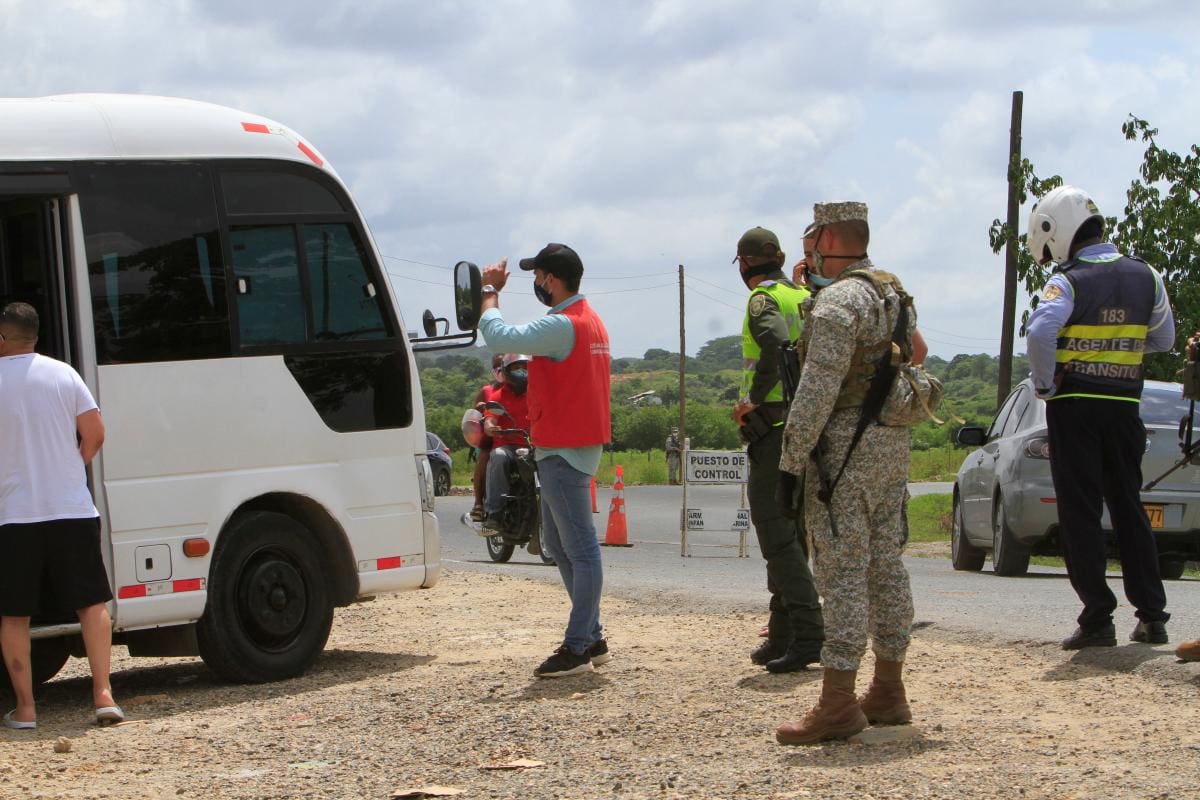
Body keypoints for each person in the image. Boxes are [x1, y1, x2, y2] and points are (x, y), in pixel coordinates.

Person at [775, 202, 916, 745]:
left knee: (843, 573)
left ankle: (837, 702)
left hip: (844, 453)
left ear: (829, 237)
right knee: (885, 565)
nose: (806, 248)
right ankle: (887, 689)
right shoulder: (892, 292)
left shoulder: (837, 304)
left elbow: (816, 391)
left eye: (811, 236)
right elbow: (913, 356)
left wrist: (790, 461)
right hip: (890, 443)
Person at [1024, 185, 1175, 650]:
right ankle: (1152, 616)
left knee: (1081, 512)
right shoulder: (1146, 274)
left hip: (1076, 409)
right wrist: (1121, 350)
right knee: (1129, 507)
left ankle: (1097, 618)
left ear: (1056, 231)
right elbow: (1164, 340)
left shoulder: (1066, 280)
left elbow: (1040, 330)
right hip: (1125, 408)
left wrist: (1047, 386)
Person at [478, 243, 612, 678]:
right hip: (572, 444)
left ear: (551, 280)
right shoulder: (590, 321)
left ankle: (578, 646)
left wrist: (488, 291)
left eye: (537, 276)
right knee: (557, 545)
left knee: (580, 550)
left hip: (564, 447)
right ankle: (591, 635)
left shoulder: (562, 324)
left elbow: (499, 339)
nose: (536, 283)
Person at [0, 302, 122, 729]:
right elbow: (96, 433)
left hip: (13, 516)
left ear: (2, 336)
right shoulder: (63, 373)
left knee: (14, 614)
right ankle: (103, 695)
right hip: (71, 508)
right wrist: (70, 467)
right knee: (91, 603)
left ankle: (28, 710)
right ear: (35, 336)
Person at [733, 226, 824, 674]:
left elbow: (773, 342)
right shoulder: (802, 297)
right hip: (806, 428)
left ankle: (809, 633)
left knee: (776, 535)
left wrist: (755, 399)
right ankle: (782, 632)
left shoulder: (762, 300)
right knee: (790, 532)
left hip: (775, 430)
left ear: (746, 263)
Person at [482, 354, 532, 531]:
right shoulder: (498, 395)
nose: (522, 371)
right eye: (516, 367)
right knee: (499, 457)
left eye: (525, 367)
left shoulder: (538, 392)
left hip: (534, 445)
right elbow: (490, 419)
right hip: (508, 446)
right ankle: (494, 512)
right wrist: (490, 426)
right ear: (506, 371)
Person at [469, 354, 506, 522]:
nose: (502, 371)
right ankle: (478, 503)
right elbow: (473, 417)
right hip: (492, 439)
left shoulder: (524, 389)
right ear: (493, 371)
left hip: (517, 437)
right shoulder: (487, 392)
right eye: (498, 367)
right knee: (484, 456)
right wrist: (481, 408)